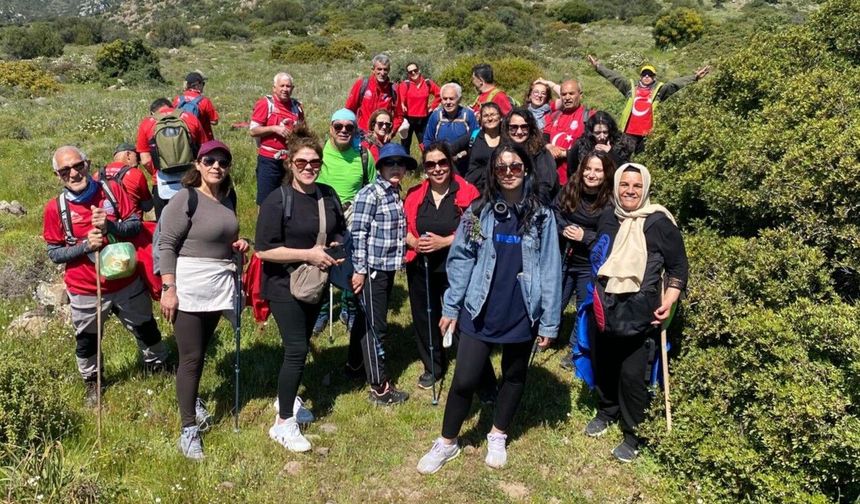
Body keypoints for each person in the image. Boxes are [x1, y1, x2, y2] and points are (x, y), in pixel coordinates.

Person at [416, 142, 561, 474]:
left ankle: (498, 433)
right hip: (479, 307)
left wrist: (550, 322)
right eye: (501, 168)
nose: (508, 173)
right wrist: (451, 307)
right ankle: (447, 442)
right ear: (494, 172)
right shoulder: (477, 211)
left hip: (522, 309)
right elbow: (462, 259)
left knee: (513, 375)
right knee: (464, 379)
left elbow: (551, 267)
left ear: (526, 169)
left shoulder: (542, 216)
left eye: (515, 167)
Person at [42, 146, 169, 407]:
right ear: (57, 175)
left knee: (146, 328)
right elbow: (55, 253)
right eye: (65, 170)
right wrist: (85, 247)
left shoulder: (111, 191)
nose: (74, 173)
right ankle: (93, 382)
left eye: (78, 166)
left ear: (88, 164)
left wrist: (110, 226)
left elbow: (134, 225)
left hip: (126, 281)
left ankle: (158, 367)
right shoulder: (55, 209)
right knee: (87, 340)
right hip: (85, 288)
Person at [587, 162, 688, 462]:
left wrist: (669, 300)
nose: (630, 191)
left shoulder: (658, 223)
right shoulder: (608, 216)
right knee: (604, 364)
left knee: (632, 376)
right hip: (605, 308)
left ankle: (633, 434)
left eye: (636, 186)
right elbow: (600, 253)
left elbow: (679, 267)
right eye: (625, 185)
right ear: (616, 186)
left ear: (645, 188)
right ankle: (607, 411)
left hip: (640, 314)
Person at [255, 126, 347, 452]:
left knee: (300, 345)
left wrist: (335, 244)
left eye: (314, 162)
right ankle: (283, 424)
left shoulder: (327, 195)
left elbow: (339, 232)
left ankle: (289, 399)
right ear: (289, 164)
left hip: (314, 283)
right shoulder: (277, 200)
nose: (309, 167)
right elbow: (264, 250)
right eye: (301, 162)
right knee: (297, 350)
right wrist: (308, 254)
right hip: (283, 283)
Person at [158, 140, 250, 460]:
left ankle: (193, 399)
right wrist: (168, 288)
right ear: (197, 164)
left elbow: (227, 237)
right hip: (189, 285)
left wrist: (239, 244)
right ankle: (188, 429)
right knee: (192, 357)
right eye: (209, 160)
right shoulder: (186, 198)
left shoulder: (228, 198)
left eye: (222, 162)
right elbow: (166, 245)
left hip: (218, 283)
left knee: (202, 349)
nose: (216, 166)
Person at [404, 143, 480, 390]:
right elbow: (401, 226)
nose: (437, 169)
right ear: (425, 168)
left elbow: (477, 232)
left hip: (455, 265)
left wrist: (445, 241)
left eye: (442, 163)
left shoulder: (467, 192)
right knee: (424, 314)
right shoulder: (415, 194)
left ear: (450, 163)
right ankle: (432, 365)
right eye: (430, 164)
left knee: (457, 313)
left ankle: (467, 363)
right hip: (421, 263)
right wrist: (413, 241)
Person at [346, 143, 412, 405]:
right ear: (380, 167)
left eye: (400, 164)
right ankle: (379, 386)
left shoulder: (395, 192)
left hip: (387, 266)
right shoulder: (370, 193)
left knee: (365, 318)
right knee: (376, 326)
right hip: (372, 268)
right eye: (389, 164)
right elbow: (358, 233)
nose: (395, 168)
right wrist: (360, 270)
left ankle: (353, 365)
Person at [314, 109, 377, 335]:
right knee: (321, 262)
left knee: (350, 262)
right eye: (338, 126)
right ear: (330, 128)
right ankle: (321, 311)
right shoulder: (318, 154)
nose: (343, 131)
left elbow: (372, 185)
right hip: (322, 212)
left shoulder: (364, 155)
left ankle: (349, 307)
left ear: (355, 129)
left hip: (353, 214)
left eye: (349, 127)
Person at [553, 150, 615, 369]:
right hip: (565, 255)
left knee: (582, 308)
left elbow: (610, 236)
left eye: (598, 170)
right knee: (555, 300)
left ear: (606, 173)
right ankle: (546, 336)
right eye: (588, 169)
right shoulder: (571, 188)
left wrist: (585, 236)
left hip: (590, 262)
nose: (591, 174)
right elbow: (555, 211)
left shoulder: (610, 202)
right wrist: (564, 229)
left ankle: (574, 349)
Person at [588, 56, 711, 154]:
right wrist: (599, 67)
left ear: (654, 77)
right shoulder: (631, 89)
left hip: (647, 135)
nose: (647, 76)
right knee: (621, 159)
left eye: (650, 75)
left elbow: (675, 84)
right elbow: (615, 78)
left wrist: (695, 77)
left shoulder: (660, 90)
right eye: (644, 74)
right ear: (640, 76)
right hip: (628, 133)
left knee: (643, 163)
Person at [135, 97, 206, 218]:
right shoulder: (190, 118)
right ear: (173, 107)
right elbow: (205, 150)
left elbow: (146, 160)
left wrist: (158, 170)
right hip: (192, 180)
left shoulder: (147, 123)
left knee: (165, 229)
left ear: (153, 112)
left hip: (163, 185)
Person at [249, 72, 306, 205]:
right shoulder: (265, 104)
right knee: (266, 201)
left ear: (293, 88)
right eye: (282, 86)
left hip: (290, 160)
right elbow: (253, 130)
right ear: (274, 88)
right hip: (269, 160)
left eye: (288, 86)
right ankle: (264, 225)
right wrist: (274, 129)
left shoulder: (297, 107)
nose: (285, 89)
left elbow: (303, 130)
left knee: (289, 199)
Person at [501, 107, 558, 202]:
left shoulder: (541, 153)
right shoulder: (502, 152)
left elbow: (546, 186)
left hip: (534, 204)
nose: (519, 132)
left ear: (530, 128)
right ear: (507, 129)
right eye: (514, 127)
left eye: (524, 127)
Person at [543, 80, 593, 186]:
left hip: (577, 180)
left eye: (571, 93)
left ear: (580, 95)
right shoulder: (553, 116)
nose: (567, 97)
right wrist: (549, 147)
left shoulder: (590, 117)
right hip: (552, 180)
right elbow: (543, 138)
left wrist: (565, 154)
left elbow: (593, 147)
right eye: (564, 94)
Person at [422, 83, 478, 174]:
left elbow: (475, 138)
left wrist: (460, 156)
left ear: (459, 99)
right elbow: (428, 139)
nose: (448, 102)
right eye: (444, 99)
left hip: (464, 163)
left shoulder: (468, 115)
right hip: (441, 164)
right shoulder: (436, 116)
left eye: (451, 99)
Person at [447, 102, 503, 193]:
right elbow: (446, 152)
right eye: (485, 116)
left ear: (500, 117)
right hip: (473, 190)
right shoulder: (474, 136)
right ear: (480, 119)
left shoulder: (507, 138)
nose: (489, 118)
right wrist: (457, 178)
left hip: (500, 190)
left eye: (493, 114)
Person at [345, 54, 404, 135]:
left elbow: (399, 116)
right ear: (373, 70)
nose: (382, 73)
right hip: (362, 135)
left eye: (385, 69)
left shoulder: (393, 89)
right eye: (379, 69)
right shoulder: (362, 84)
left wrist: (391, 132)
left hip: (382, 137)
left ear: (389, 70)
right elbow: (349, 110)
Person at [93, 143, 153, 217]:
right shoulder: (136, 173)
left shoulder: (97, 174)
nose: (138, 162)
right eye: (137, 157)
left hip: (106, 223)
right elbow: (148, 206)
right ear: (128, 155)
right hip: (132, 224)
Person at [566, 111, 630, 177]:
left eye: (605, 132)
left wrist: (611, 154)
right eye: (597, 133)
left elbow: (626, 170)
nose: (602, 137)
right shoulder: (581, 145)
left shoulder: (620, 143)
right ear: (591, 133)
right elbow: (572, 170)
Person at [398, 62, 441, 153]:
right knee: (405, 144)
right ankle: (406, 165)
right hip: (408, 118)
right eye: (410, 72)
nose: (413, 73)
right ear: (408, 74)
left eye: (415, 70)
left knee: (425, 144)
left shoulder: (427, 83)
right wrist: (402, 104)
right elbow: (401, 97)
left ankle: (428, 163)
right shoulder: (405, 84)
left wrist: (432, 107)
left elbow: (439, 94)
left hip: (422, 119)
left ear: (419, 70)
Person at [173, 71, 219, 142]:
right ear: (197, 85)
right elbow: (214, 121)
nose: (203, 86)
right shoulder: (204, 101)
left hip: (182, 140)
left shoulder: (178, 99)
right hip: (202, 141)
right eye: (203, 84)